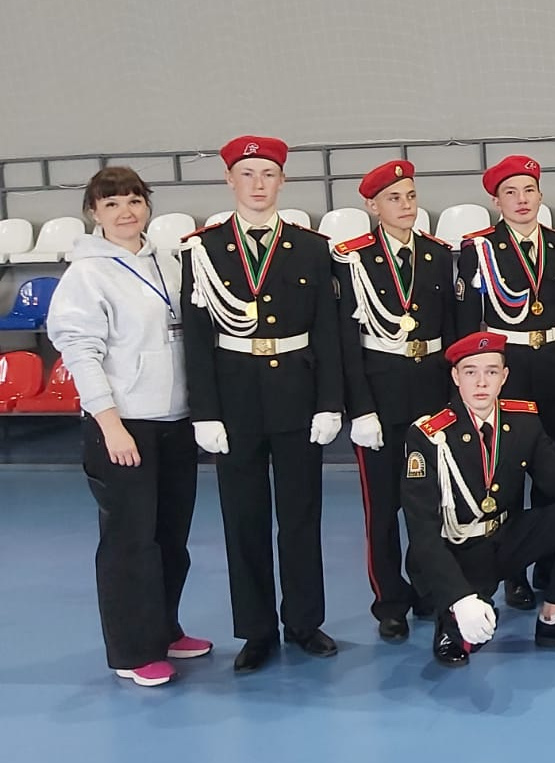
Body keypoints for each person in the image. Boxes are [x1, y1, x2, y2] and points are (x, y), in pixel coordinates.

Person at [179, 135, 343, 672]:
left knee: (301, 517)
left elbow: (328, 331)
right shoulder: (202, 249)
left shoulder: (312, 247)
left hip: (297, 394)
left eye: (267, 174)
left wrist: (330, 402)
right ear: (229, 179)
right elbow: (197, 338)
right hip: (235, 402)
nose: (257, 184)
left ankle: (304, 621)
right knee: (243, 520)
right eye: (247, 174)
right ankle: (256, 630)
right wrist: (205, 411)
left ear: (282, 181)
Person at [49, 167, 211, 688]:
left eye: (134, 200)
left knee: (171, 538)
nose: (126, 212)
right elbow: (80, 351)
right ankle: (131, 651)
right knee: (129, 543)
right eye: (112, 203)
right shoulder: (86, 274)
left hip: (175, 421)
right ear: (94, 212)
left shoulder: (167, 262)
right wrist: (110, 423)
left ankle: (164, 629)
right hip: (123, 425)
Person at [400, 332, 555, 667]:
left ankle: (554, 618)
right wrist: (459, 598)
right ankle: (451, 616)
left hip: (503, 538)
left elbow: (554, 474)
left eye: (491, 371)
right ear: (455, 377)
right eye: (470, 372)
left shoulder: (522, 420)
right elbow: (423, 532)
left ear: (504, 376)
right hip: (455, 550)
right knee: (472, 635)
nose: (481, 382)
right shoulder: (429, 436)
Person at [332, 160, 458, 640]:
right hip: (381, 397)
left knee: (433, 501)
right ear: (372, 206)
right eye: (393, 198)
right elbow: (348, 344)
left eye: (410, 196)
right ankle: (389, 601)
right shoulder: (353, 259)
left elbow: (452, 332)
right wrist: (359, 408)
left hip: (431, 390)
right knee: (382, 509)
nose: (405, 205)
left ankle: (428, 586)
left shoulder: (438, 254)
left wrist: (454, 400)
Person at [454, 154, 555, 610]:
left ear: (541, 195)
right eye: (510, 192)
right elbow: (468, 322)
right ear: (496, 201)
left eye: (529, 190)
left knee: (552, 468)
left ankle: (548, 560)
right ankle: (513, 572)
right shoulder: (480, 248)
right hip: (506, 370)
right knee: (505, 474)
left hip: (553, 365)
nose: (521, 200)